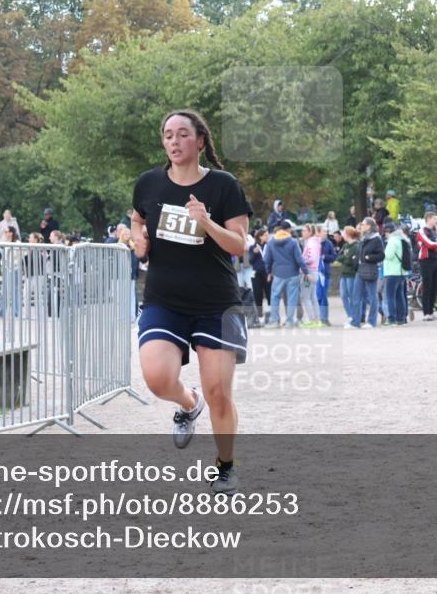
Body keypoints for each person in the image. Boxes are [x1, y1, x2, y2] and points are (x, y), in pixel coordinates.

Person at [130, 109, 252, 495]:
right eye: (168, 135)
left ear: (200, 141)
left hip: (216, 302)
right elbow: (136, 218)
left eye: (183, 134)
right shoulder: (149, 183)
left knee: (220, 391)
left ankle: (225, 465)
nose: (175, 141)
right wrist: (138, 241)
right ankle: (188, 404)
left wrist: (208, 223)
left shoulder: (223, 186)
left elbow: (240, 245)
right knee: (157, 378)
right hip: (164, 299)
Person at [264, 220, 307, 327]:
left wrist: (269, 272)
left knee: (275, 297)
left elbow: (267, 259)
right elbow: (299, 259)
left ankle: (275, 320)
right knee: (292, 298)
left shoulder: (271, 242)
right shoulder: (293, 242)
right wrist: (306, 271)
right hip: (293, 273)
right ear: (287, 230)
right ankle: (289, 321)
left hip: (278, 273)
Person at [414, 211, 437, 321]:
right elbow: (429, 244)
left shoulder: (435, 232)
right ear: (429, 219)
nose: (436, 221)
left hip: (434, 259)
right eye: (435, 219)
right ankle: (426, 312)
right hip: (425, 260)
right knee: (427, 286)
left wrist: (435, 246)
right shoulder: (422, 231)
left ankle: (431, 311)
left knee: (434, 286)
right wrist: (435, 246)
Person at [356, 217, 385, 328]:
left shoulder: (376, 239)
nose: (361, 226)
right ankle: (355, 320)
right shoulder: (363, 238)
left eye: (363, 224)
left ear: (368, 226)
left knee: (372, 296)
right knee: (357, 295)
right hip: (361, 269)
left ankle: (372, 321)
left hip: (370, 270)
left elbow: (381, 255)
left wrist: (368, 257)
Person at [382, 221, 407, 325]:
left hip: (392, 271)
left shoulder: (392, 240)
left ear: (388, 232)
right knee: (400, 295)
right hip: (401, 271)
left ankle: (391, 318)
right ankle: (401, 318)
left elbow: (389, 255)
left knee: (390, 296)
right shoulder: (402, 239)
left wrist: (384, 251)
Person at [337, 226, 361, 328]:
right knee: (343, 296)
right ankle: (350, 316)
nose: (342, 236)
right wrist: (345, 258)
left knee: (352, 296)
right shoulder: (346, 246)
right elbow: (339, 257)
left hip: (351, 274)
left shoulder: (356, 246)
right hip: (344, 274)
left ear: (349, 235)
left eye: (344, 233)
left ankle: (355, 317)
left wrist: (345, 258)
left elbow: (350, 261)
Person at [299, 224, 322, 327]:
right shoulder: (314, 242)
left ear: (310, 232)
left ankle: (312, 320)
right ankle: (317, 320)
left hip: (309, 272)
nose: (302, 232)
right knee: (313, 297)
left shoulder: (311, 243)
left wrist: (301, 261)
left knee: (306, 297)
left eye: (304, 231)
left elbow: (311, 258)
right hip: (314, 271)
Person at [248, 229, 270, 325]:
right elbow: (251, 261)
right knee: (258, 295)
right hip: (256, 273)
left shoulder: (269, 246)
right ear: (260, 236)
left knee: (269, 294)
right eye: (265, 235)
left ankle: (270, 315)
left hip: (267, 273)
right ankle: (260, 316)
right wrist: (255, 253)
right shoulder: (253, 247)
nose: (267, 236)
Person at [317, 226, 337, 326]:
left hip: (325, 273)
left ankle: (324, 318)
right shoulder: (313, 243)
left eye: (326, 231)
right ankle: (316, 318)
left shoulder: (329, 243)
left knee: (324, 295)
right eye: (323, 231)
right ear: (318, 233)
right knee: (316, 296)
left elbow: (334, 256)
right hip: (315, 273)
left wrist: (325, 257)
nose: (325, 233)